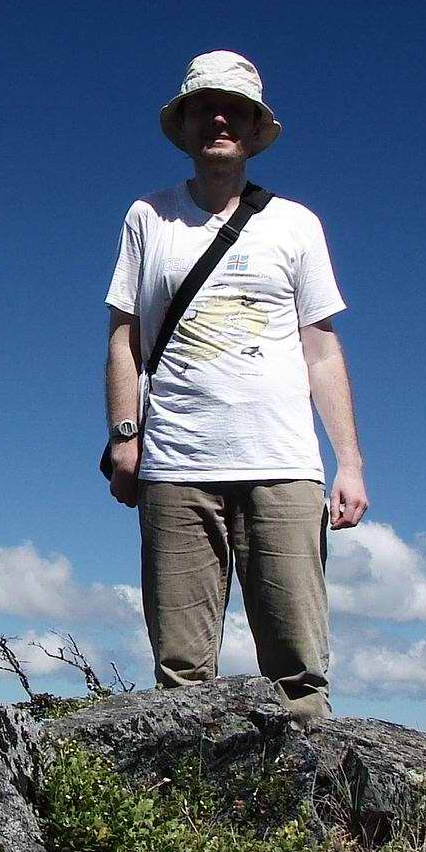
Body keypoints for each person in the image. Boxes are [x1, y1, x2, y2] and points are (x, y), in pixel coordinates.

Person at [103, 50, 366, 725]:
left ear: (253, 129)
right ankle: (189, 795)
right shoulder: (148, 216)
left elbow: (320, 347)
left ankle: (311, 791)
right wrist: (125, 437)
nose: (219, 120)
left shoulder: (295, 224)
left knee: (298, 668)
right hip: (176, 464)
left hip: (282, 462)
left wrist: (349, 462)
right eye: (205, 108)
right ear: (185, 124)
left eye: (235, 110)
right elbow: (124, 336)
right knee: (181, 675)